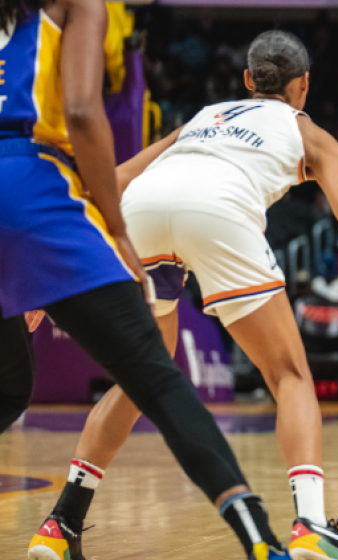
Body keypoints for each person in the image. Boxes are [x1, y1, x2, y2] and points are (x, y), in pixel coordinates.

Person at [33, 30, 338, 560]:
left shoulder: (204, 117)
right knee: (288, 374)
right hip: (218, 209)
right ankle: (310, 524)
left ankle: (62, 524)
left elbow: (119, 176)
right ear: (304, 85)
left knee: (139, 378)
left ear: (247, 81)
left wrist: (45, 278)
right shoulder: (313, 137)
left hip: (144, 207)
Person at [0, 2, 291, 559]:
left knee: (11, 388)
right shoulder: (77, 3)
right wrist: (113, 232)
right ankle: (261, 540)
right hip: (31, 186)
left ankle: (61, 524)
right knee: (157, 378)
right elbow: (84, 113)